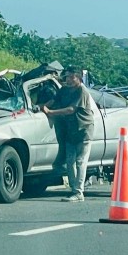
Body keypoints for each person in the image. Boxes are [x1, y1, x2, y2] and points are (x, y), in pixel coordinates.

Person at [42, 66, 94, 202]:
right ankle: (74, 190)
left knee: (80, 161)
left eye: (72, 77)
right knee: (69, 161)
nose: (69, 80)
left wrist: (51, 112)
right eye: (67, 77)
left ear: (79, 78)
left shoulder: (81, 91)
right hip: (70, 131)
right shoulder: (64, 90)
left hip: (83, 130)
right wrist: (42, 106)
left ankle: (79, 192)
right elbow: (54, 100)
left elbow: (71, 109)